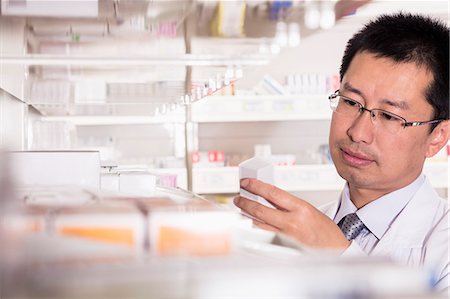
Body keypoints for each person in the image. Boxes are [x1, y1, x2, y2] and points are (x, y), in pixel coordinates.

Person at [234, 12, 449, 292]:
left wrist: (339, 255)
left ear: (437, 137)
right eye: (350, 101)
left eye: (388, 116)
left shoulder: (442, 245)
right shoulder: (302, 231)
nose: (358, 133)